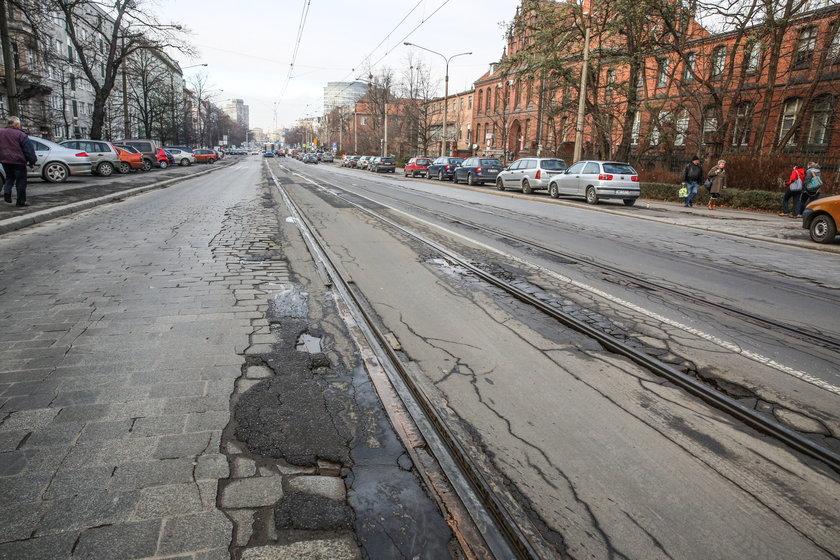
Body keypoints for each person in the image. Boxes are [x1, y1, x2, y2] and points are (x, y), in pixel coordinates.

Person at [0, 116, 37, 207]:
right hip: (18, 161)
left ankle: (7, 191)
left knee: (9, 177)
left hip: (4, 160)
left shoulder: (0, 132)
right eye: (19, 124)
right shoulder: (21, 134)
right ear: (16, 124)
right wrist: (32, 162)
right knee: (21, 181)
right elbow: (28, 150)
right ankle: (20, 201)